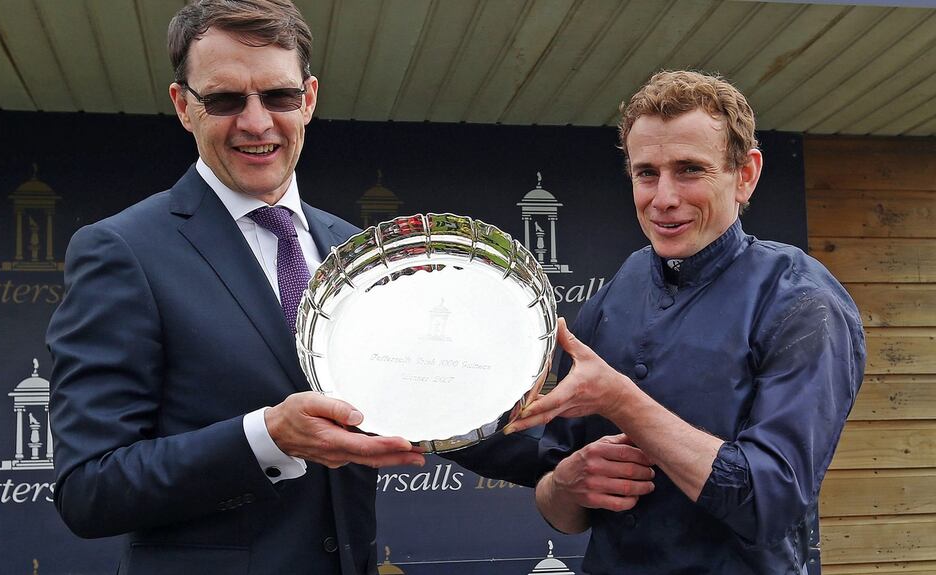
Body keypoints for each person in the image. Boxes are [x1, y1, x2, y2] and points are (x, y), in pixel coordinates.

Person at [45, 1, 424, 574]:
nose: (255, 122)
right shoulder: (122, 250)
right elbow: (89, 488)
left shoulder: (357, 250)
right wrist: (268, 438)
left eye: (278, 96)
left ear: (309, 99)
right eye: (224, 100)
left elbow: (423, 402)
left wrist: (555, 465)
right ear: (183, 107)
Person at [502, 70, 866, 574]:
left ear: (745, 175)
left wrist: (621, 400)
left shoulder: (802, 302)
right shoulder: (614, 296)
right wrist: (566, 483)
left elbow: (769, 503)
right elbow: (560, 509)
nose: (663, 198)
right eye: (646, 172)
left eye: (690, 169)